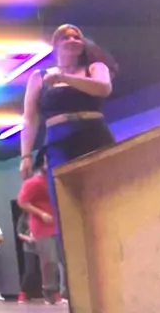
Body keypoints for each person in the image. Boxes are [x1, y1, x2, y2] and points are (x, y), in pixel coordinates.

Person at [19, 24, 116, 301]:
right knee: (66, 210)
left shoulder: (94, 68)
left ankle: (112, 276)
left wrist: (63, 77)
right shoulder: (39, 77)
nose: (72, 39)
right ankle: (78, 290)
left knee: (105, 204)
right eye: (65, 36)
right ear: (55, 45)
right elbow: (29, 118)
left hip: (95, 136)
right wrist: (25, 155)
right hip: (59, 142)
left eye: (77, 36)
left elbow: (103, 88)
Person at [18, 154, 65, 305]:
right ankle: (49, 291)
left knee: (65, 260)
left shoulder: (56, 179)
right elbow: (22, 202)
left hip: (59, 225)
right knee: (50, 260)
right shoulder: (33, 183)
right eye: (46, 160)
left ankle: (65, 292)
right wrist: (41, 213)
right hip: (41, 227)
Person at [15, 212, 39, 304]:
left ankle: (53, 294)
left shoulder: (39, 215)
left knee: (49, 268)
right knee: (30, 271)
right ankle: (22, 293)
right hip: (29, 247)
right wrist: (28, 239)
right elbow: (20, 233)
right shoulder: (23, 217)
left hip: (42, 245)